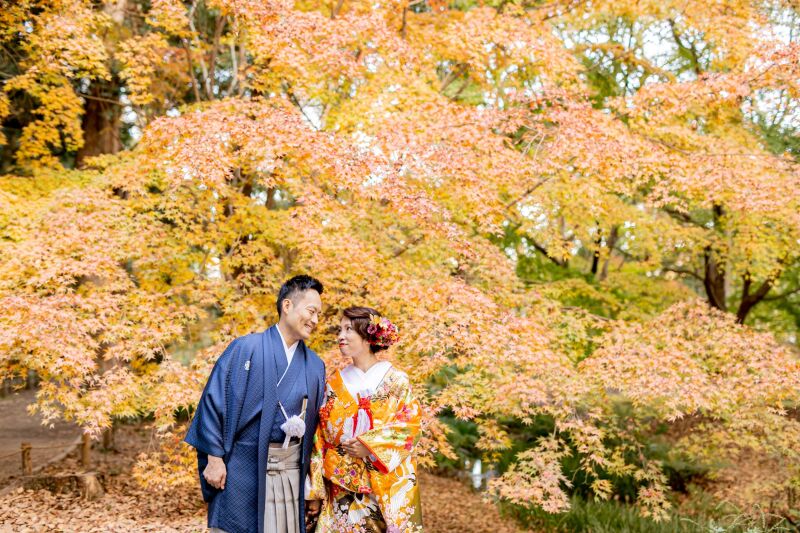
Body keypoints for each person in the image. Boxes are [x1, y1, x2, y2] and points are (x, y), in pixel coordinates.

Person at [185, 275, 327, 533]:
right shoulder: (245, 348)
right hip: (241, 467)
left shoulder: (316, 365)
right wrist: (214, 458)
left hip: (289, 472)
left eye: (319, 314)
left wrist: (312, 485)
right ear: (287, 306)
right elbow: (214, 402)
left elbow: (318, 433)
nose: (315, 320)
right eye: (311, 311)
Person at [307, 306, 423, 533]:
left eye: (348, 329)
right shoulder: (333, 383)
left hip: (384, 486)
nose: (340, 336)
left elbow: (411, 426)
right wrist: (315, 491)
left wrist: (369, 445)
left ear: (368, 336)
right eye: (339, 329)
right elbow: (319, 435)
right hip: (341, 485)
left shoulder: (396, 380)